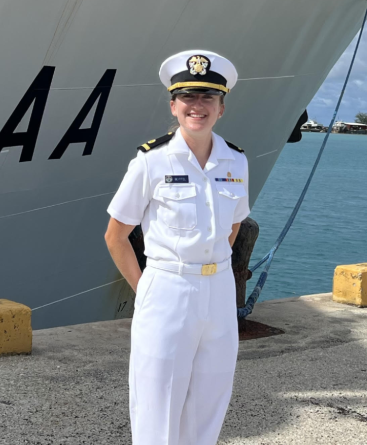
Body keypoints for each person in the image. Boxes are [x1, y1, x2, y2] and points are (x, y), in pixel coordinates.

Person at [104, 50, 250, 445]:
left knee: (210, 400)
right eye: (188, 97)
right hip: (167, 290)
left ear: (221, 108)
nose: (197, 106)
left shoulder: (236, 161)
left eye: (207, 98)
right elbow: (116, 236)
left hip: (218, 291)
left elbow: (233, 226)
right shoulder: (151, 161)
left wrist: (210, 266)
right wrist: (147, 288)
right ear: (173, 105)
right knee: (157, 404)